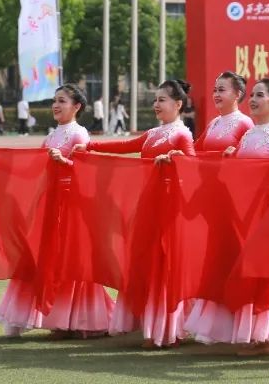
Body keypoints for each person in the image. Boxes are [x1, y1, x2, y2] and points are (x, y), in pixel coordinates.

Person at [78, 80, 196, 349]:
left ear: (178, 104)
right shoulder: (153, 133)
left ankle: (167, 329)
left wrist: (177, 160)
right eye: (155, 100)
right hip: (147, 206)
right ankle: (150, 324)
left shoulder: (182, 135)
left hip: (168, 208)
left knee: (163, 265)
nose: (156, 104)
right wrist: (91, 146)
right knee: (144, 262)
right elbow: (125, 145)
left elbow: (193, 170)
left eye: (162, 100)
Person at [189, 78, 269, 356]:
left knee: (266, 272)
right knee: (251, 272)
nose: (252, 100)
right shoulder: (249, 135)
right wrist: (230, 156)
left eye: (260, 95)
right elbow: (237, 175)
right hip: (245, 214)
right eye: (252, 94)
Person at [0, 85, 114, 338]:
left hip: (70, 206)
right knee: (41, 259)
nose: (56, 105)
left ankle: (71, 320)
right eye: (55, 101)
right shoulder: (51, 136)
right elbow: (33, 166)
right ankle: (56, 317)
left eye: (62, 101)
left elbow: (88, 173)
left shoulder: (79, 135)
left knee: (67, 261)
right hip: (49, 204)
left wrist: (65, 162)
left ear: (76, 106)